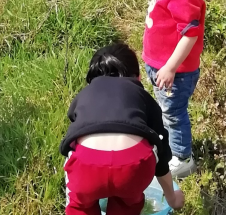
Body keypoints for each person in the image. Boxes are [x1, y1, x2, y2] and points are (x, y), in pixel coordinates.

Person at [61, 43, 185, 215]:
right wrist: (172, 197)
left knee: (80, 204)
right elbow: (162, 152)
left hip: (86, 165)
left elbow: (74, 134)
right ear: (138, 77)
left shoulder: (83, 95)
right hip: (133, 167)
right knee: (129, 201)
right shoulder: (142, 96)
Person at [141, 0, 205, 179]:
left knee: (174, 112)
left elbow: (190, 35)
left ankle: (182, 158)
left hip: (174, 72)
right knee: (165, 109)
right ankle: (169, 143)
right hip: (160, 65)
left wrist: (169, 68)